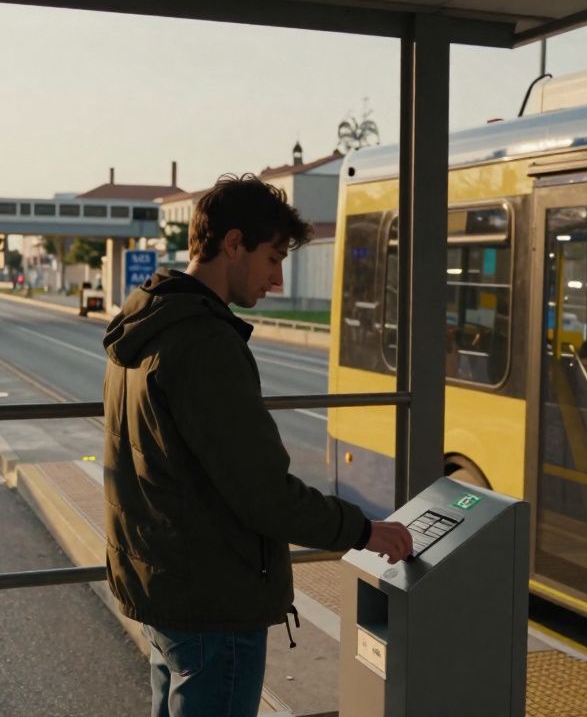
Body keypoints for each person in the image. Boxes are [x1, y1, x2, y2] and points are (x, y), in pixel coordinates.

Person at [101, 174, 412, 717]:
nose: (278, 278)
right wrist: (364, 530)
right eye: (272, 258)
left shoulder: (146, 324)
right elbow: (264, 492)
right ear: (233, 243)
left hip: (165, 586)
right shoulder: (203, 344)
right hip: (212, 602)